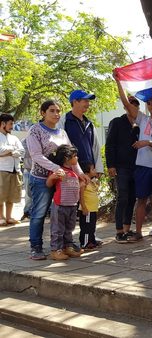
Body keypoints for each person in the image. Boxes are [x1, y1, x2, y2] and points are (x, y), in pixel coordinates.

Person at [114, 76, 152, 242]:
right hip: (143, 166)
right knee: (141, 199)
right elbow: (127, 104)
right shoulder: (143, 119)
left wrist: (148, 142)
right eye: (148, 103)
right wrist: (118, 82)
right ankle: (139, 232)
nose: (151, 105)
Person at [27, 100, 88, 260]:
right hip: (41, 179)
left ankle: (64, 246)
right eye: (52, 110)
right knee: (39, 214)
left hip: (63, 181)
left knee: (64, 217)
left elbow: (70, 155)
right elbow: (36, 155)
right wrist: (55, 169)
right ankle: (36, 247)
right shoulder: (35, 130)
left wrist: (80, 172)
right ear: (43, 113)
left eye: (58, 111)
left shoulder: (62, 132)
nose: (56, 114)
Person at [106, 93, 139, 243]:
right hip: (121, 166)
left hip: (136, 167)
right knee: (123, 197)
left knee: (132, 198)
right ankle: (119, 231)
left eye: (136, 105)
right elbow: (110, 144)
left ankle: (127, 229)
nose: (133, 107)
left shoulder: (139, 125)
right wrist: (110, 165)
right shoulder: (117, 122)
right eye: (130, 104)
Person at [46, 145, 84, 260]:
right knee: (57, 229)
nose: (77, 158)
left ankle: (68, 247)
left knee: (69, 228)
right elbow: (48, 183)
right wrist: (53, 176)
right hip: (60, 205)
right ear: (67, 158)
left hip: (72, 205)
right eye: (75, 156)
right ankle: (55, 250)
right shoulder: (59, 170)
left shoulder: (74, 172)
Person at [59, 90, 104, 175]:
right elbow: (60, 146)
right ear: (75, 102)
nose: (88, 104)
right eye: (85, 101)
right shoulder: (63, 121)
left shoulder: (89, 124)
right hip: (70, 171)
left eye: (88, 101)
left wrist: (98, 169)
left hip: (89, 172)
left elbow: (95, 147)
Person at [0, 113, 25, 226]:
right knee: (1, 195)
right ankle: (1, 217)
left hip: (15, 170)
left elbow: (22, 151)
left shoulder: (14, 138)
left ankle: (9, 217)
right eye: (10, 124)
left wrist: (9, 152)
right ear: (3, 124)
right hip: (2, 170)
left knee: (12, 195)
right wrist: (12, 150)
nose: (12, 126)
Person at [79, 163, 101, 250]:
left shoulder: (92, 181)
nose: (95, 171)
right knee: (86, 227)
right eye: (93, 169)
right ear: (87, 172)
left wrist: (96, 182)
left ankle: (92, 240)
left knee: (92, 226)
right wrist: (84, 207)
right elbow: (81, 196)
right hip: (87, 209)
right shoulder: (83, 182)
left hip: (93, 209)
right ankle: (85, 243)